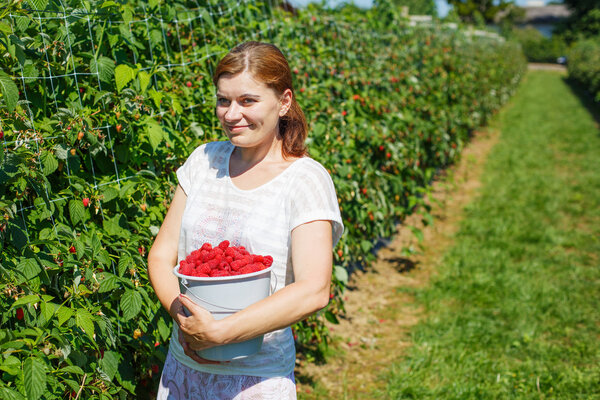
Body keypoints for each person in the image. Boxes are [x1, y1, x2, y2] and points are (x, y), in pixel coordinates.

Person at [148, 41, 344, 399]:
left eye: (247, 101)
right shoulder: (204, 160)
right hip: (183, 370)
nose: (231, 114)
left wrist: (221, 333)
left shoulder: (305, 181)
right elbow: (162, 255)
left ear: (283, 102)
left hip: (253, 380)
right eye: (224, 100)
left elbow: (314, 289)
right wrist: (183, 316)